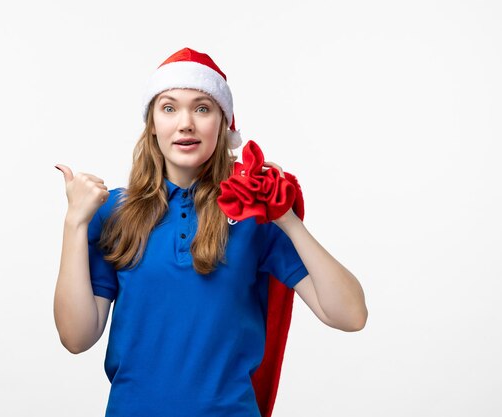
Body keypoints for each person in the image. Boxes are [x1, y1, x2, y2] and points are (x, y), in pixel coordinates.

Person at [53, 47, 368, 417]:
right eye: (169, 108)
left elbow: (350, 316)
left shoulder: (255, 216)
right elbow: (76, 338)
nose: (185, 123)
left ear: (224, 122)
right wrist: (74, 223)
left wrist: (286, 218)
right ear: (152, 123)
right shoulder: (113, 211)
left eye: (202, 108)